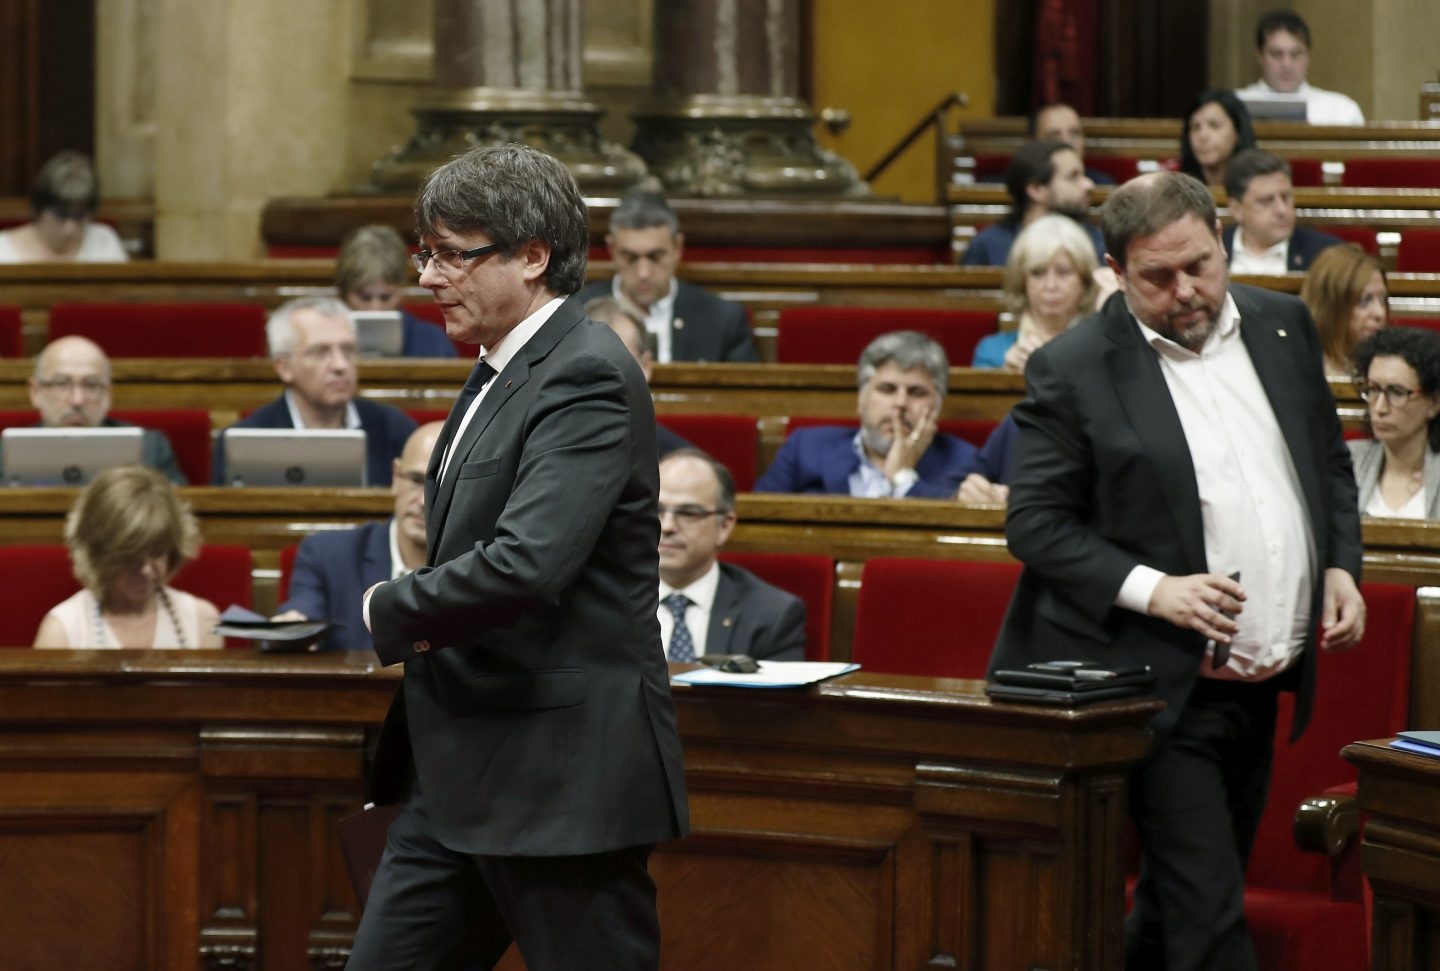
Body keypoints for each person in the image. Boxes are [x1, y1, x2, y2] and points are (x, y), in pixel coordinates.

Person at [988, 170, 1365, 970]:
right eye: (1158, 276)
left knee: (1175, 900)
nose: (1187, 290)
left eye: (1201, 264)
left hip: (1263, 675)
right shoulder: (1075, 367)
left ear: (1222, 241)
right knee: (1208, 918)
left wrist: (1340, 565)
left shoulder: (1283, 324)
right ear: (1117, 272)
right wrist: (1156, 589)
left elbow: (1327, 462)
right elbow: (1035, 523)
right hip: (1156, 683)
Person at [350, 144, 688, 971]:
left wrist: (386, 607)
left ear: (533, 256)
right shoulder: (499, 367)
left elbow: (527, 564)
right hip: (460, 770)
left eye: (451, 255)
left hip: (557, 779)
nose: (427, 276)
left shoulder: (586, 374)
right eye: (424, 253)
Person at [271, 422, 444, 650]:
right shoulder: (328, 555)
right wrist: (293, 627)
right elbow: (302, 613)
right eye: (415, 480)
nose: (423, 501)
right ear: (395, 477)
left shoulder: (483, 565)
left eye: (440, 486)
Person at [211, 296, 417, 486]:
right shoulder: (245, 442)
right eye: (320, 352)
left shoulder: (395, 429)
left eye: (348, 350)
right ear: (284, 367)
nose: (340, 365)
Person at [755, 330, 981, 498]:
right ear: (861, 400)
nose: (901, 403)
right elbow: (759, 521)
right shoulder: (804, 448)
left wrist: (902, 477)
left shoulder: (964, 463)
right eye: (887, 389)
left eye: (916, 392)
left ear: (936, 407)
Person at [34, 465, 223, 648]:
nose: (146, 570)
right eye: (132, 556)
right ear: (99, 553)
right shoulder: (62, 632)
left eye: (157, 552)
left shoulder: (203, 621)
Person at [576, 188, 758, 363]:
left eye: (655, 257)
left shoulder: (722, 320)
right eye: (630, 257)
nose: (643, 273)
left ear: (677, 248)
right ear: (612, 249)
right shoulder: (576, 314)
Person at [658, 449, 806, 662]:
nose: (668, 526)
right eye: (656, 510)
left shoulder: (771, 614)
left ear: (724, 527)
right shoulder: (604, 603)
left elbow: (777, 696)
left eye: (688, 513)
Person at [0, 335, 187, 484]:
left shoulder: (149, 450)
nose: (77, 400)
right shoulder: (3, 453)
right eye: (61, 383)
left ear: (108, 394)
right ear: (35, 392)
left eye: (91, 385)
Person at [972, 214, 1100, 371]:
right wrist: (1007, 375)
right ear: (1022, 281)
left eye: (1063, 272)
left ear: (1085, 280)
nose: (1050, 285)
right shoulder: (993, 352)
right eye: (1038, 273)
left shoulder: (1103, 350)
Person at [963, 138, 1103, 267]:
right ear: (1036, 190)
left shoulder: (1098, 243)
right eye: (1073, 177)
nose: (1089, 185)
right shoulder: (989, 246)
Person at [1348, 327, 1440, 519]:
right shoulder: (1349, 462)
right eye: (1373, 390)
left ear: (1433, 402)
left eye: (1396, 392)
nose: (1380, 408)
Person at [585, 295, 691, 456]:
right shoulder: (539, 445)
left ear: (646, 366)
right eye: (590, 362)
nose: (603, 374)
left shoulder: (678, 463)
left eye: (619, 360)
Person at [335, 225, 457, 357]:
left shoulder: (434, 342)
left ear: (401, 290)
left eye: (385, 297)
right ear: (345, 293)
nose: (375, 309)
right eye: (365, 297)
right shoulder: (322, 339)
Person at [1222, 149, 1341, 274]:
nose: (1282, 210)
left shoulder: (1326, 254)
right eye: (1267, 201)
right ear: (1236, 209)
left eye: (1285, 197)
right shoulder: (1214, 250)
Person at [1238, 9, 1364, 125]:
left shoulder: (1341, 110)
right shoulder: (1236, 106)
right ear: (1259, 56)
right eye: (1276, 54)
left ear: (1308, 56)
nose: (1286, 64)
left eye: (1296, 54)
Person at [0, 151, 128, 263]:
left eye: (80, 217)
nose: (70, 229)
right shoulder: (3, 250)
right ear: (39, 209)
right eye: (60, 215)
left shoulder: (104, 242)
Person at [1299, 242, 1388, 377]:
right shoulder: (1298, 371)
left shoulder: (1389, 370)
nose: (1380, 313)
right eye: (1364, 301)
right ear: (1331, 306)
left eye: (1382, 300)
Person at [1179, 90, 1257, 187]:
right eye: (1195, 127)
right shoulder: (1174, 181)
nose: (1203, 136)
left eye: (1215, 125)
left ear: (1238, 132)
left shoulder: (1261, 182)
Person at [1031, 101, 1116, 186]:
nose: (1067, 142)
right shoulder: (1025, 187)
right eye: (1054, 135)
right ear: (1033, 144)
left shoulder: (1103, 184)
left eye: (1074, 133)